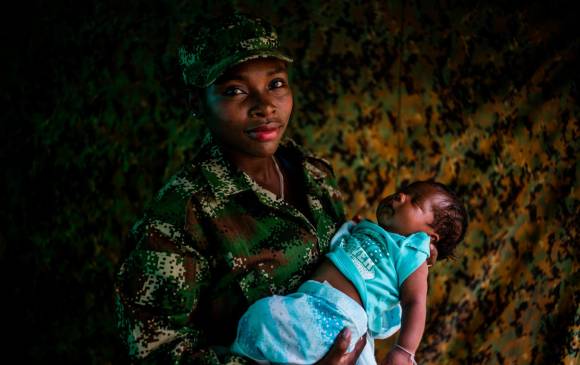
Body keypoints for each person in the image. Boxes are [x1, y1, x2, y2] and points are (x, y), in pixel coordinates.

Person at [114, 12, 367, 364]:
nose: (264, 106)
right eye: (235, 91)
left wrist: (401, 247)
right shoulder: (180, 216)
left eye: (276, 83)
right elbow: (154, 351)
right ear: (196, 105)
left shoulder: (315, 175)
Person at [231, 180, 468, 365]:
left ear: (428, 237)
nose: (400, 195)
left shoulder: (412, 253)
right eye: (404, 190)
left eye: (415, 201)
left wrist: (404, 351)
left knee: (263, 317)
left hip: (341, 317)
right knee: (262, 318)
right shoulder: (366, 229)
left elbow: (415, 302)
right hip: (309, 304)